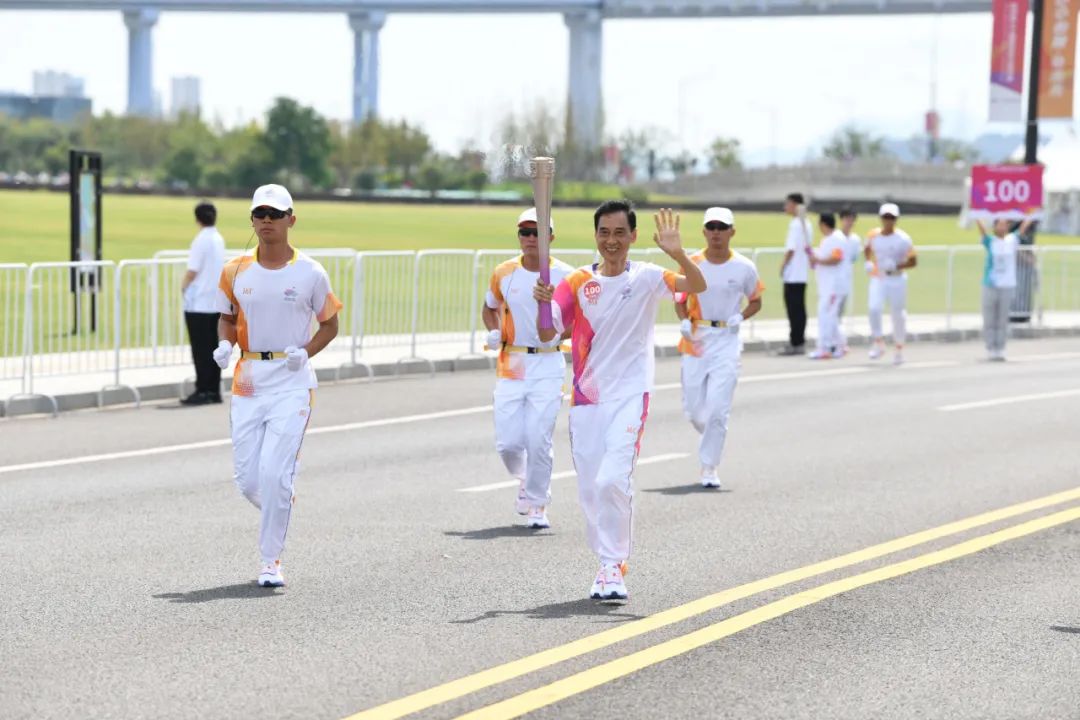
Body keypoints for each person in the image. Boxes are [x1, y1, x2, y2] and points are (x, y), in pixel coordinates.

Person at [533, 202, 706, 601]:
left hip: (630, 394)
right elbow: (546, 335)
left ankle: (613, 564)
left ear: (632, 236)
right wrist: (543, 302)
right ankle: (605, 561)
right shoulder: (575, 282)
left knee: (613, 478)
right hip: (587, 398)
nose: (611, 241)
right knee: (592, 488)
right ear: (596, 236)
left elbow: (696, 286)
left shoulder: (647, 277)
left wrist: (678, 253)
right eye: (604, 233)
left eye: (619, 233)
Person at [214, 184, 342, 588]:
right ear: (252, 220)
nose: (266, 220)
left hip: (291, 381)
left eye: (275, 213)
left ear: (291, 219)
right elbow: (227, 317)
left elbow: (330, 323)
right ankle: (281, 497)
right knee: (248, 480)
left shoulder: (310, 272)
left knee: (273, 474)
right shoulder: (235, 270)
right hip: (249, 379)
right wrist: (223, 343)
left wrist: (306, 352)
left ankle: (270, 561)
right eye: (259, 214)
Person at [482, 208, 574, 528]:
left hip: (548, 360)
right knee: (507, 443)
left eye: (538, 233)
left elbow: (577, 322)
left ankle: (537, 502)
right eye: (525, 232)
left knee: (538, 437)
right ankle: (524, 479)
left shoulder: (566, 276)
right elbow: (490, 306)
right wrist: (494, 330)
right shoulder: (504, 272)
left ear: (551, 237)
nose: (531, 239)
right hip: (513, 362)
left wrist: (555, 331)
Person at [674, 207, 763, 488]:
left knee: (717, 410)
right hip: (697, 338)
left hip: (727, 339)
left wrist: (741, 316)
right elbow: (679, 298)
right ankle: (713, 433)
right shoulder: (692, 262)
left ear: (731, 232)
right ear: (704, 231)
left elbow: (756, 299)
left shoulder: (745, 267)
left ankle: (709, 467)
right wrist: (685, 322)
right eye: (710, 227)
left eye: (721, 227)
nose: (716, 232)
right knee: (693, 410)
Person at [180, 201, 226, 405]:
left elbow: (193, 270)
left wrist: (183, 286)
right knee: (213, 349)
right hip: (214, 301)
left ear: (197, 219)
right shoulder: (218, 239)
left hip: (198, 303)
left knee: (200, 350)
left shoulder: (201, 240)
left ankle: (203, 389)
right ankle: (214, 390)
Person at [865, 203, 917, 365]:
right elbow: (867, 249)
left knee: (898, 314)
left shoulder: (903, 239)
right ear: (881, 218)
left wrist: (897, 266)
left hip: (897, 278)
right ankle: (878, 341)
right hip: (879, 277)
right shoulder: (873, 235)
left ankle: (899, 348)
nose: (888, 221)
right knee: (874, 308)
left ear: (896, 219)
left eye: (892, 218)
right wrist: (867, 262)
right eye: (886, 217)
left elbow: (913, 261)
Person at [975, 216, 1030, 361]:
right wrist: (976, 215)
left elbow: (1023, 228)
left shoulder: (1012, 240)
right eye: (999, 225)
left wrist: (1033, 213)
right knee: (989, 319)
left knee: (1002, 319)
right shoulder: (991, 241)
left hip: (1007, 285)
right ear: (995, 227)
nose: (1002, 227)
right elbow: (982, 231)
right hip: (991, 284)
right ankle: (990, 347)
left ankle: (1000, 348)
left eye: (1005, 225)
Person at [807, 212, 848, 359]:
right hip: (827, 287)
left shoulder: (837, 238)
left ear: (823, 224)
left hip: (833, 287)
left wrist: (817, 260)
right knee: (832, 318)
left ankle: (824, 348)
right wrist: (813, 257)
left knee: (826, 317)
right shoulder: (827, 240)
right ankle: (840, 346)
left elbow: (837, 258)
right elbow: (821, 259)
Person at [777, 192, 812, 355]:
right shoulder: (807, 224)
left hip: (793, 274)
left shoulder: (796, 224)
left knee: (794, 310)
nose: (786, 207)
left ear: (795, 205)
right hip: (801, 273)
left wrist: (783, 265)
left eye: (788, 204)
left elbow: (791, 249)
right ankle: (799, 341)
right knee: (799, 309)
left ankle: (795, 342)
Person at [836, 206, 861, 352]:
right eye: (847, 219)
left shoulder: (855, 240)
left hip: (845, 281)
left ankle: (838, 342)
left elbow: (853, 258)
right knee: (831, 313)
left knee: (839, 313)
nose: (849, 222)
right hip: (832, 281)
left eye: (852, 219)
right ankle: (838, 342)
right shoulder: (835, 237)